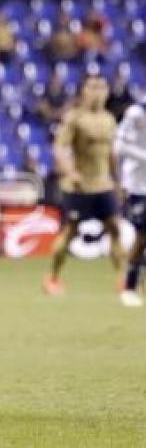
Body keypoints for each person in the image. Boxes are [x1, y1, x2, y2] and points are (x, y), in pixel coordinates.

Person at [42, 74, 123, 296]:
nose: (97, 92)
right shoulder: (74, 118)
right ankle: (53, 277)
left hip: (103, 184)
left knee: (114, 229)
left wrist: (118, 181)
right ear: (83, 91)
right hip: (79, 186)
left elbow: (111, 155)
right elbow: (60, 148)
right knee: (70, 231)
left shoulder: (109, 119)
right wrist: (70, 172)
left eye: (101, 87)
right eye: (92, 87)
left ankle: (123, 279)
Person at [115, 100, 146, 307]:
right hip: (140, 185)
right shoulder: (136, 113)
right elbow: (119, 146)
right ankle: (129, 286)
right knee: (142, 236)